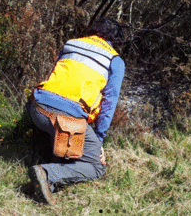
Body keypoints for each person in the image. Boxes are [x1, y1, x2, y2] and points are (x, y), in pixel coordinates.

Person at [26, 18, 125, 204]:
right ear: (116, 41)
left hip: (37, 108)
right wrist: (99, 139)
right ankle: (46, 173)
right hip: (66, 117)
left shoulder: (72, 44)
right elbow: (108, 104)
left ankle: (47, 185)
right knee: (96, 167)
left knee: (66, 137)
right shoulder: (115, 60)